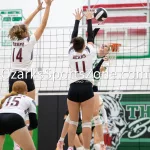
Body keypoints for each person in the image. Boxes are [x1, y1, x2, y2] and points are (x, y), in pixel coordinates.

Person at [8, 0, 53, 149]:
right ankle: (26, 145)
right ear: (25, 32)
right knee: (28, 111)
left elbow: (22, 26)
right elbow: (43, 24)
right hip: (26, 77)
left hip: (13, 78)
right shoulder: (30, 41)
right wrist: (48, 7)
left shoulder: (15, 40)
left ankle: (16, 146)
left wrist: (37, 9)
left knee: (17, 110)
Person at [67, 8, 96, 150]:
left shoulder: (70, 52)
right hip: (86, 88)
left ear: (73, 45)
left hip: (73, 88)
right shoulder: (89, 52)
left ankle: (71, 147)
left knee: (72, 122)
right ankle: (85, 148)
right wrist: (89, 19)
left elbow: (74, 37)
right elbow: (91, 37)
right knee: (86, 123)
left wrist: (77, 20)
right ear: (84, 46)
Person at [0, 81, 38, 150]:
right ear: (26, 90)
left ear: (13, 90)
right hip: (14, 119)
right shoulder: (30, 100)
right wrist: (27, 128)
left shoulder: (6, 99)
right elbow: (34, 124)